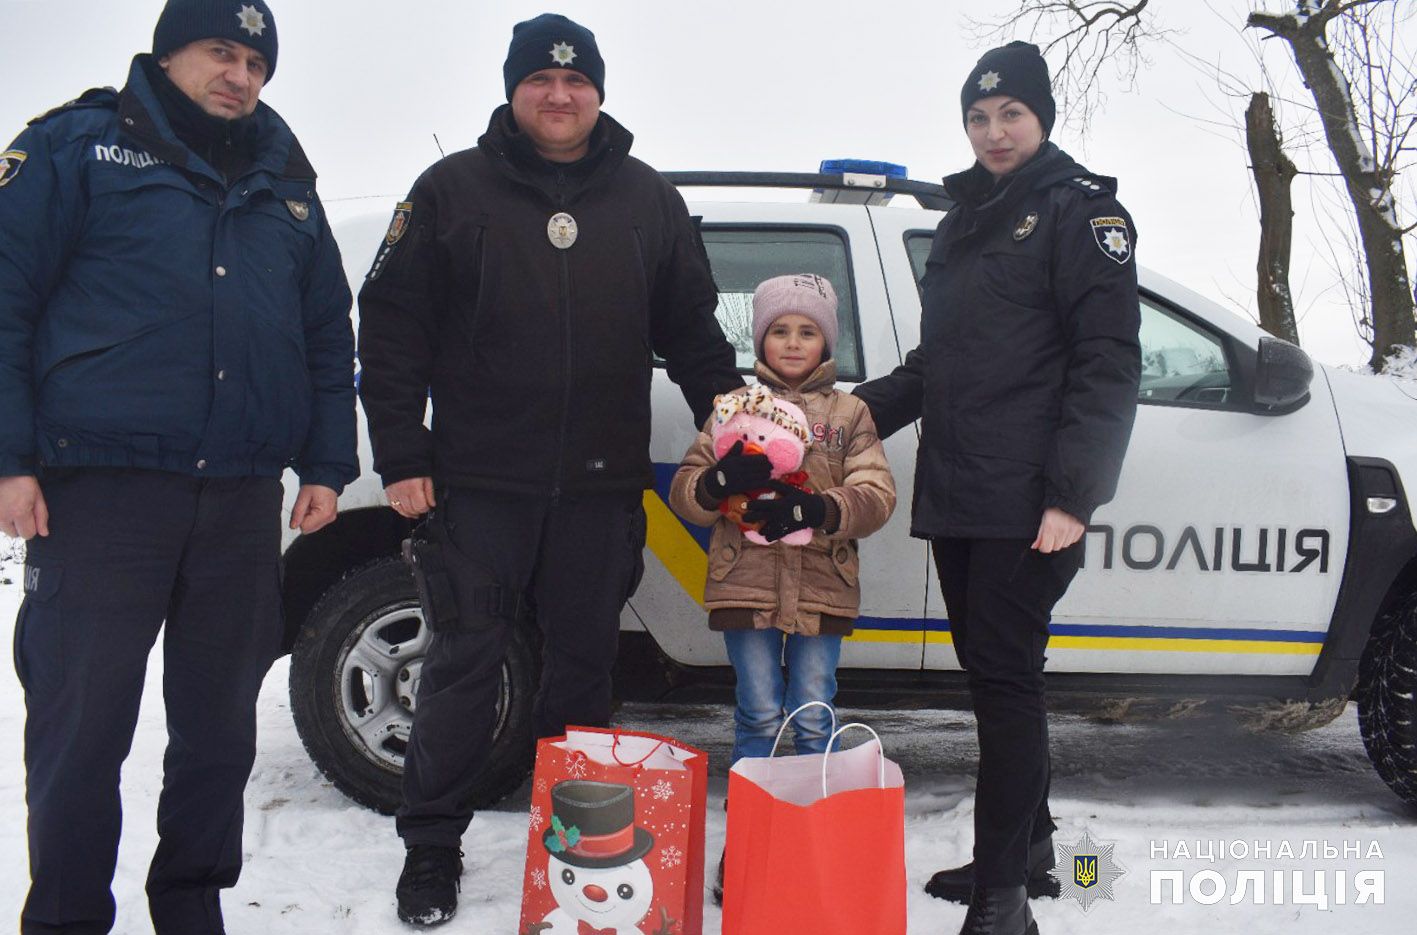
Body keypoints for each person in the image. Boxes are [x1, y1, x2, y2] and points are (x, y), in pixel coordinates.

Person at [355, 12, 743, 927]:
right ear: (514, 88)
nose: (559, 95)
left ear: (598, 92)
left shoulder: (648, 199)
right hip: (480, 483)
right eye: (541, 80)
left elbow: (692, 328)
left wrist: (732, 430)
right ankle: (430, 849)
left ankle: (569, 851)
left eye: (576, 82)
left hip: (601, 487)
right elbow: (393, 328)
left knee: (580, 674)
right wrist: (403, 452)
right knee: (462, 665)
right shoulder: (450, 191)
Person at [0, 1, 357, 932]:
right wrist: (9, 457)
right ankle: (69, 914)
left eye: (254, 60)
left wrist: (325, 458)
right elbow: (3, 302)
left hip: (241, 495)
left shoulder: (287, 176)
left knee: (218, 733)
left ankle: (191, 903)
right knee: (81, 730)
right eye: (218, 51)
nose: (237, 74)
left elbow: (325, 329)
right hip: (102, 491)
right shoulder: (73, 148)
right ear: (168, 55)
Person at [853, 41, 1141, 935]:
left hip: (1028, 500)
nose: (992, 131)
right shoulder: (964, 220)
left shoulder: (1080, 214)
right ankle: (1028, 850)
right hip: (960, 489)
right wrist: (854, 414)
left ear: (1041, 117)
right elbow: (938, 362)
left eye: (1009, 113)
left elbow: (1107, 364)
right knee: (990, 677)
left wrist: (1071, 494)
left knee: (1008, 683)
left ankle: (1002, 898)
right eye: (978, 117)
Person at [669, 273, 895, 903]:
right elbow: (687, 491)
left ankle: (810, 847)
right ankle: (746, 848)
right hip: (745, 588)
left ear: (827, 343)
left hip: (823, 588)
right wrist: (716, 483)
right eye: (779, 330)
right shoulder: (731, 407)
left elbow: (878, 495)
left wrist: (819, 511)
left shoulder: (852, 415)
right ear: (760, 339)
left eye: (807, 331)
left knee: (815, 716)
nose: (793, 343)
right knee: (758, 714)